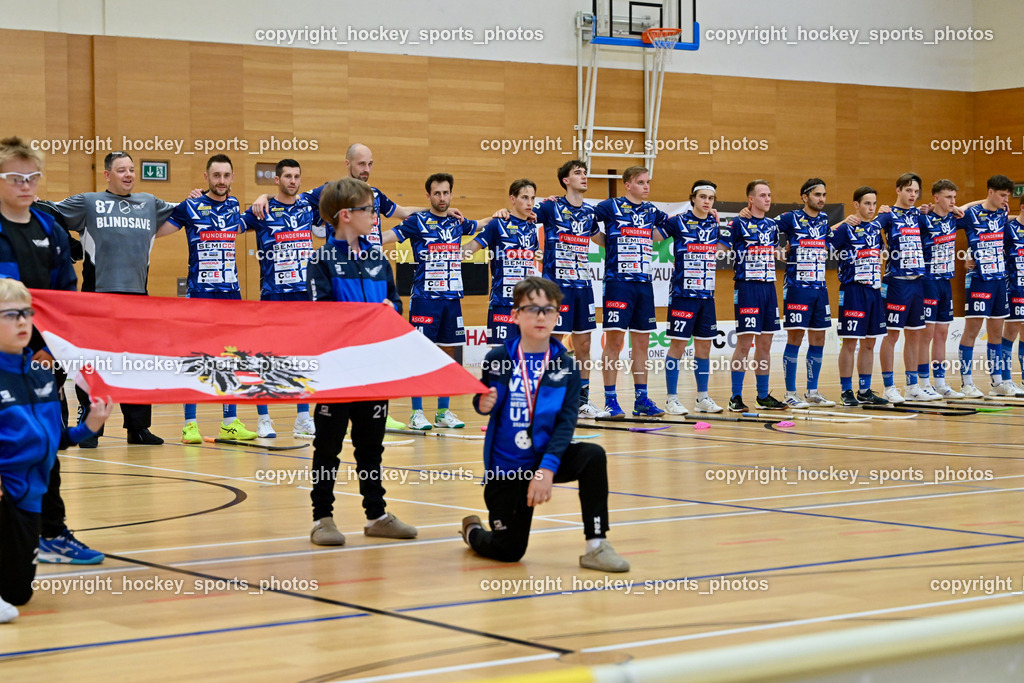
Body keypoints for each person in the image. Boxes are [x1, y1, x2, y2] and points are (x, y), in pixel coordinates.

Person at [462, 276, 628, 572]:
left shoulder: (566, 366)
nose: (541, 316)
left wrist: (546, 469)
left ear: (557, 316)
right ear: (515, 315)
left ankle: (596, 544)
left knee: (592, 456)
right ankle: (472, 532)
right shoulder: (498, 359)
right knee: (509, 552)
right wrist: (481, 403)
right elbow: (483, 400)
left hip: (543, 460)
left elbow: (566, 423)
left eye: (548, 310)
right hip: (507, 470)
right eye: (532, 309)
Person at [0, 137, 105, 565]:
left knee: (44, 445)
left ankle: (51, 533)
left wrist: (50, 352)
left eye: (32, 177)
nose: (26, 185)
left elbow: (65, 298)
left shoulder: (51, 230)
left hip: (39, 359)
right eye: (15, 178)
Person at [304, 177, 416, 545]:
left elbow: (396, 304)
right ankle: (323, 517)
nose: (375, 216)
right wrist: (365, 316)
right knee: (328, 447)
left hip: (374, 368)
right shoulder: (321, 260)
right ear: (347, 215)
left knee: (371, 446)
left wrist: (388, 312)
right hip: (339, 371)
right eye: (370, 210)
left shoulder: (377, 258)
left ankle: (377, 515)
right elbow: (323, 316)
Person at [42, 150, 177, 446]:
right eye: (121, 170)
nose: (128, 175)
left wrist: (202, 195)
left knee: (138, 365)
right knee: (93, 363)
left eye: (131, 170)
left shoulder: (150, 203)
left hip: (137, 298)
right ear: (107, 175)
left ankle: (138, 428)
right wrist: (69, 245)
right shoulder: (88, 203)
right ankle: (91, 427)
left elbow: (188, 212)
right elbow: (47, 210)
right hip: (97, 297)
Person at [0, 279, 112, 622]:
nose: (22, 322)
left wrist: (88, 427)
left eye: (27, 313)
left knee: (19, 593)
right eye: (11, 315)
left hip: (31, 494)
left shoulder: (42, 375)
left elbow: (55, 437)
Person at [381, 172, 491, 430]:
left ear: (452, 194)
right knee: (419, 355)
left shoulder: (458, 223)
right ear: (428, 195)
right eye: (437, 193)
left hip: (452, 300)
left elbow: (479, 225)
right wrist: (365, 238)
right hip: (424, 301)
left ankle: (443, 412)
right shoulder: (417, 221)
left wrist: (498, 215)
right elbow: (390, 235)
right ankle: (416, 413)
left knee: (449, 356)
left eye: (446, 192)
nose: (442, 197)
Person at [168, 155, 257, 443]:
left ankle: (229, 422)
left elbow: (260, 217)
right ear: (206, 177)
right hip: (199, 294)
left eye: (226, 175)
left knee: (229, 358)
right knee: (197, 357)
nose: (221, 181)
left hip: (230, 294)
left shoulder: (234, 207)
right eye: (216, 175)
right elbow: (158, 229)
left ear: (232, 178)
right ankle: (189, 424)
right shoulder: (190, 206)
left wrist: (265, 195)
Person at [240, 159, 318, 438]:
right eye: (287, 176)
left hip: (303, 296)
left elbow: (343, 190)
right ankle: (264, 419)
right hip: (273, 294)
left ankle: (302, 418)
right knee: (265, 358)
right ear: (277, 179)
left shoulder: (309, 206)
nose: (293, 181)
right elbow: (227, 225)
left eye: (297, 176)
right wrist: (258, 199)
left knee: (301, 358)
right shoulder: (261, 209)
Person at [593, 166, 669, 418]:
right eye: (640, 182)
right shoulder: (611, 206)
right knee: (614, 342)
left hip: (644, 285)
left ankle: (642, 399)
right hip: (618, 284)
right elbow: (583, 217)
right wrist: (607, 241)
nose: (646, 186)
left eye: (648, 181)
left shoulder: (651, 211)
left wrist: (709, 213)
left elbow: (675, 225)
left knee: (642, 344)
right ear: (628, 185)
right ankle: (610, 400)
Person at [533, 160, 605, 418]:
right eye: (578, 173)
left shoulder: (589, 212)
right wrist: (503, 214)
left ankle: (581, 400)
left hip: (583, 285)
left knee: (584, 344)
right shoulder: (551, 207)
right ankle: (548, 398)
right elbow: (526, 215)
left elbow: (604, 240)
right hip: (556, 287)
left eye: (585, 173)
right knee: (552, 342)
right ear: (566, 180)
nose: (584, 177)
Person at [658, 179, 725, 414]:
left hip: (707, 297)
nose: (707, 202)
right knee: (677, 347)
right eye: (703, 197)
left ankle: (702, 398)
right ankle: (671, 399)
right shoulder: (678, 222)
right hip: (682, 295)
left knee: (704, 350)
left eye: (711, 198)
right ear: (693, 198)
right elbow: (654, 236)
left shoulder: (716, 225)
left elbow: (727, 247)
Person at [721, 180, 786, 412]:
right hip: (747, 287)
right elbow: (721, 248)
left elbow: (778, 253)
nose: (767, 199)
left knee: (766, 344)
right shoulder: (737, 223)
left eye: (769, 195)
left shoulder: (771, 225)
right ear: (751, 199)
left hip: (769, 287)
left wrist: (790, 253)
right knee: (745, 343)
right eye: (762, 195)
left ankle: (762, 395)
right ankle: (735, 396)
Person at [957, 175, 1019, 398]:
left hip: (999, 280)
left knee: (995, 333)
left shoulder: (1003, 213)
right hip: (979, 279)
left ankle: (997, 382)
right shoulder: (971, 214)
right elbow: (954, 213)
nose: (1005, 200)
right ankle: (966, 383)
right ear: (990, 192)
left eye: (1008, 196)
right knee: (971, 331)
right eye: (1002, 195)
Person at [776, 178, 835, 408]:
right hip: (797, 288)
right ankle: (790, 392)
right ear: (805, 197)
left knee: (818, 338)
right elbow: (766, 227)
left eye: (824, 195)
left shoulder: (824, 219)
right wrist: (778, 250)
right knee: (796, 338)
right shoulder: (790, 218)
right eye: (817, 194)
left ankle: (812, 391)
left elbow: (828, 242)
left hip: (819, 287)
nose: (822, 199)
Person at [829, 186, 889, 406]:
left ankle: (865, 390)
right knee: (850, 343)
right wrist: (842, 222)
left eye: (874, 203)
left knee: (870, 344)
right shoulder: (845, 229)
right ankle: (846, 391)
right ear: (856, 205)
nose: (871, 208)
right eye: (866, 203)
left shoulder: (875, 228)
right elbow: (822, 240)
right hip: (853, 291)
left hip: (874, 291)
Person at [465, 179, 540, 346]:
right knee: (500, 357)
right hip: (502, 303)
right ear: (512, 199)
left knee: (527, 357)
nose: (530, 203)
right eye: (525, 197)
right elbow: (469, 249)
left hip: (529, 305)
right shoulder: (497, 224)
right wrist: (442, 251)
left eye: (532, 198)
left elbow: (536, 259)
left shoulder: (532, 228)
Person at [875, 173, 928, 403]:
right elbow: (866, 225)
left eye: (916, 191)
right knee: (892, 335)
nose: (913, 195)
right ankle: (888, 386)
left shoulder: (919, 214)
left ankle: (913, 385)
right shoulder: (887, 215)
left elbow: (950, 209)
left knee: (915, 336)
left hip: (918, 283)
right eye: (908, 191)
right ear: (898, 190)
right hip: (896, 282)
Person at [917, 179, 963, 399]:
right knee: (927, 334)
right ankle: (923, 382)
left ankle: (941, 382)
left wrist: (960, 207)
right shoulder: (923, 218)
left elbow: (981, 206)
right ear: (936, 198)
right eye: (948, 197)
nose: (953, 201)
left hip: (946, 282)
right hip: (928, 281)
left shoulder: (955, 218)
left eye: (954, 197)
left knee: (942, 334)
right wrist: (919, 208)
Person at [1001, 198, 1024, 392]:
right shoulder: (1009, 228)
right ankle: (1006, 379)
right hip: (1014, 288)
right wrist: (969, 254)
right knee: (1011, 331)